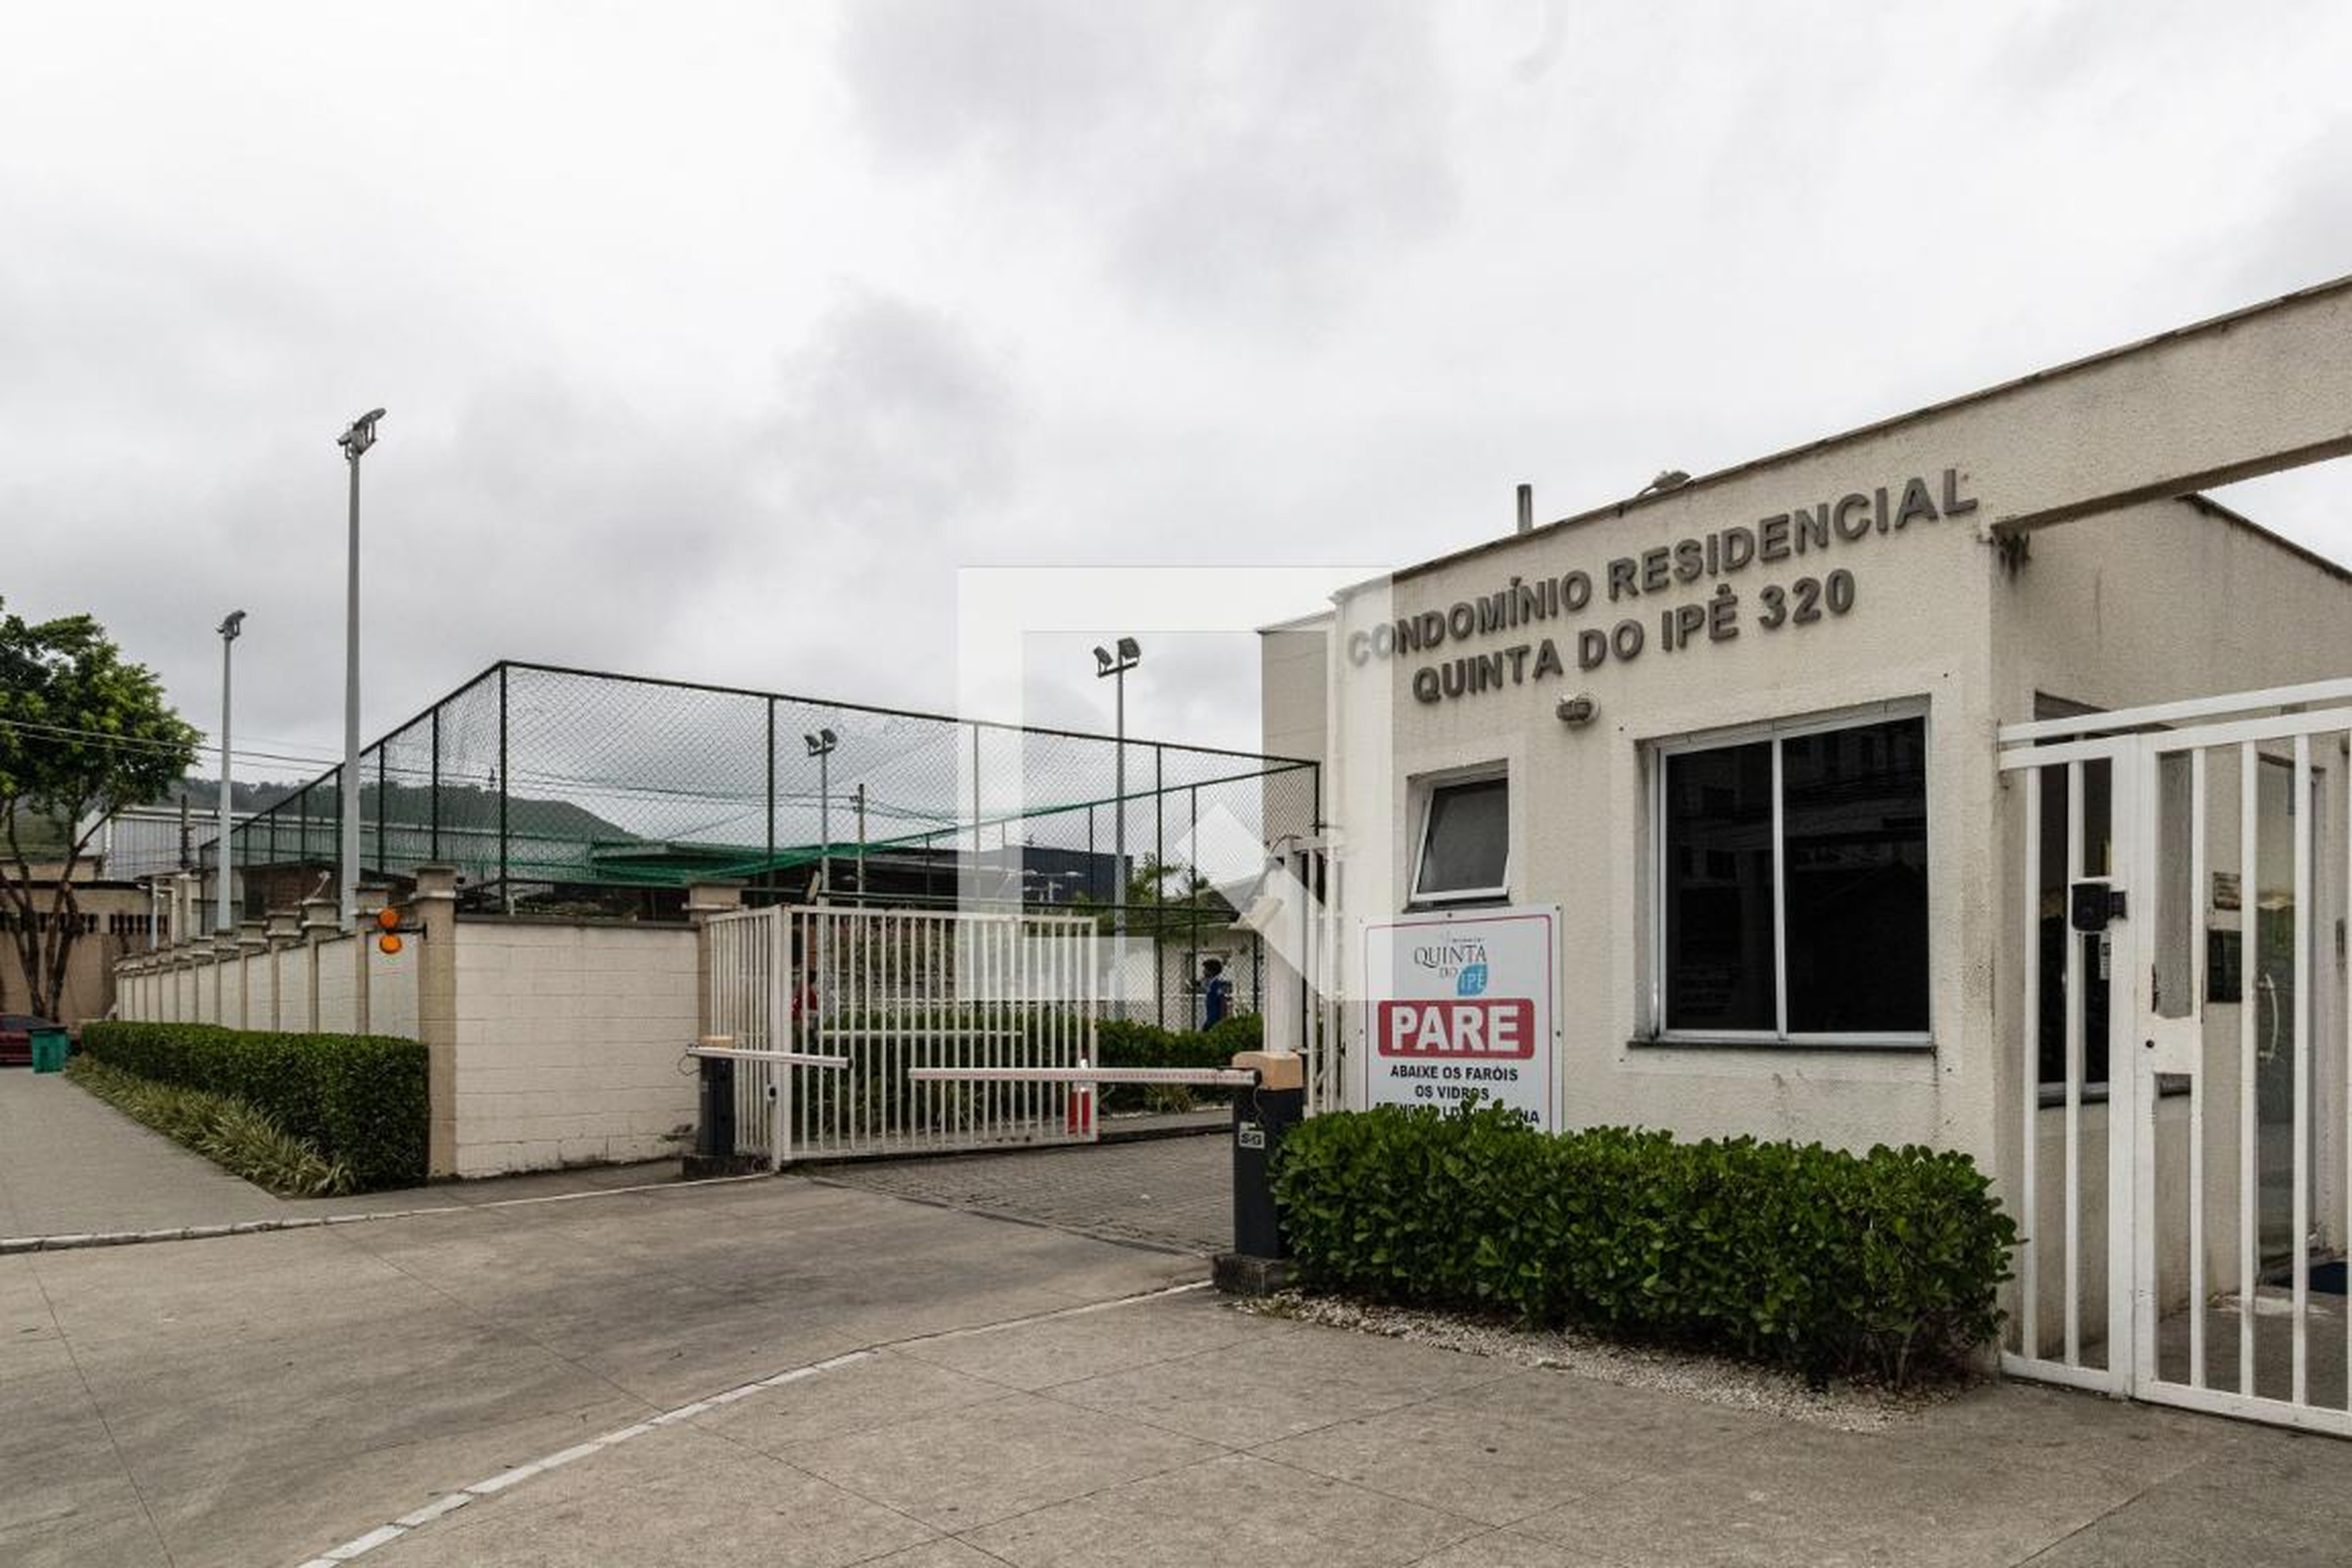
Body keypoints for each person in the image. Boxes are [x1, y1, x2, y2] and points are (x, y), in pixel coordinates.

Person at [1200, 957, 1233, 1028]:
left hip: (1215, 1021)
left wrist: (1222, 1022)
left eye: (1205, 969)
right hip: (1210, 1019)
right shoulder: (1210, 985)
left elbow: (1222, 1003)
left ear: (1211, 971)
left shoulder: (1217, 985)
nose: (1203, 972)